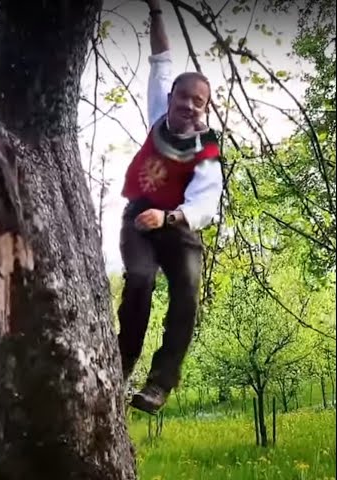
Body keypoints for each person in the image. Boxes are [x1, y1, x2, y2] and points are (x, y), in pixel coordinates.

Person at [117, 0, 223, 414]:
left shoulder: (208, 150)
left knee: (187, 294)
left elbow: (205, 204)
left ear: (205, 107)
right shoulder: (159, 112)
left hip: (179, 224)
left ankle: (160, 383)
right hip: (140, 215)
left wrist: (171, 216)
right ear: (172, 97)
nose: (188, 106)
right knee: (140, 278)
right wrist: (156, 9)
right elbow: (162, 59)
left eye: (198, 101)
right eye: (183, 97)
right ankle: (122, 363)